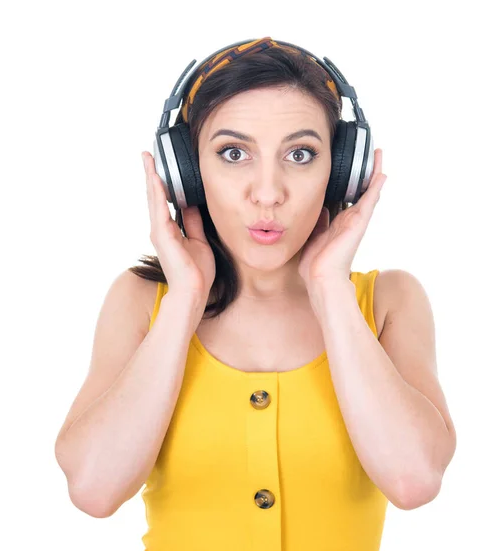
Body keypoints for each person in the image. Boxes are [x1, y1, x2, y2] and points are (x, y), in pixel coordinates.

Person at [54, 37, 456, 550]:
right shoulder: (142, 302)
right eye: (234, 153)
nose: (268, 192)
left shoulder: (388, 301)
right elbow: (93, 489)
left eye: (301, 153)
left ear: (340, 172)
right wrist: (185, 298)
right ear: (189, 174)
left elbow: (414, 480)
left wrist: (329, 287)